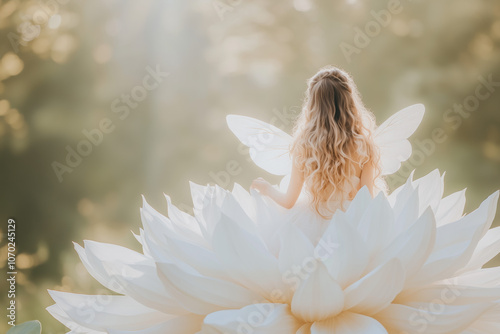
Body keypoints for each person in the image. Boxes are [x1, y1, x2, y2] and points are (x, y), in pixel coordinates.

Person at [250, 66, 381, 218]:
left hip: (314, 217)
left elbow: (288, 201)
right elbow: (367, 201)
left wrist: (266, 188)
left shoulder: (304, 146)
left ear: (313, 105)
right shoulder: (364, 146)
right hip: (351, 220)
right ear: (349, 102)